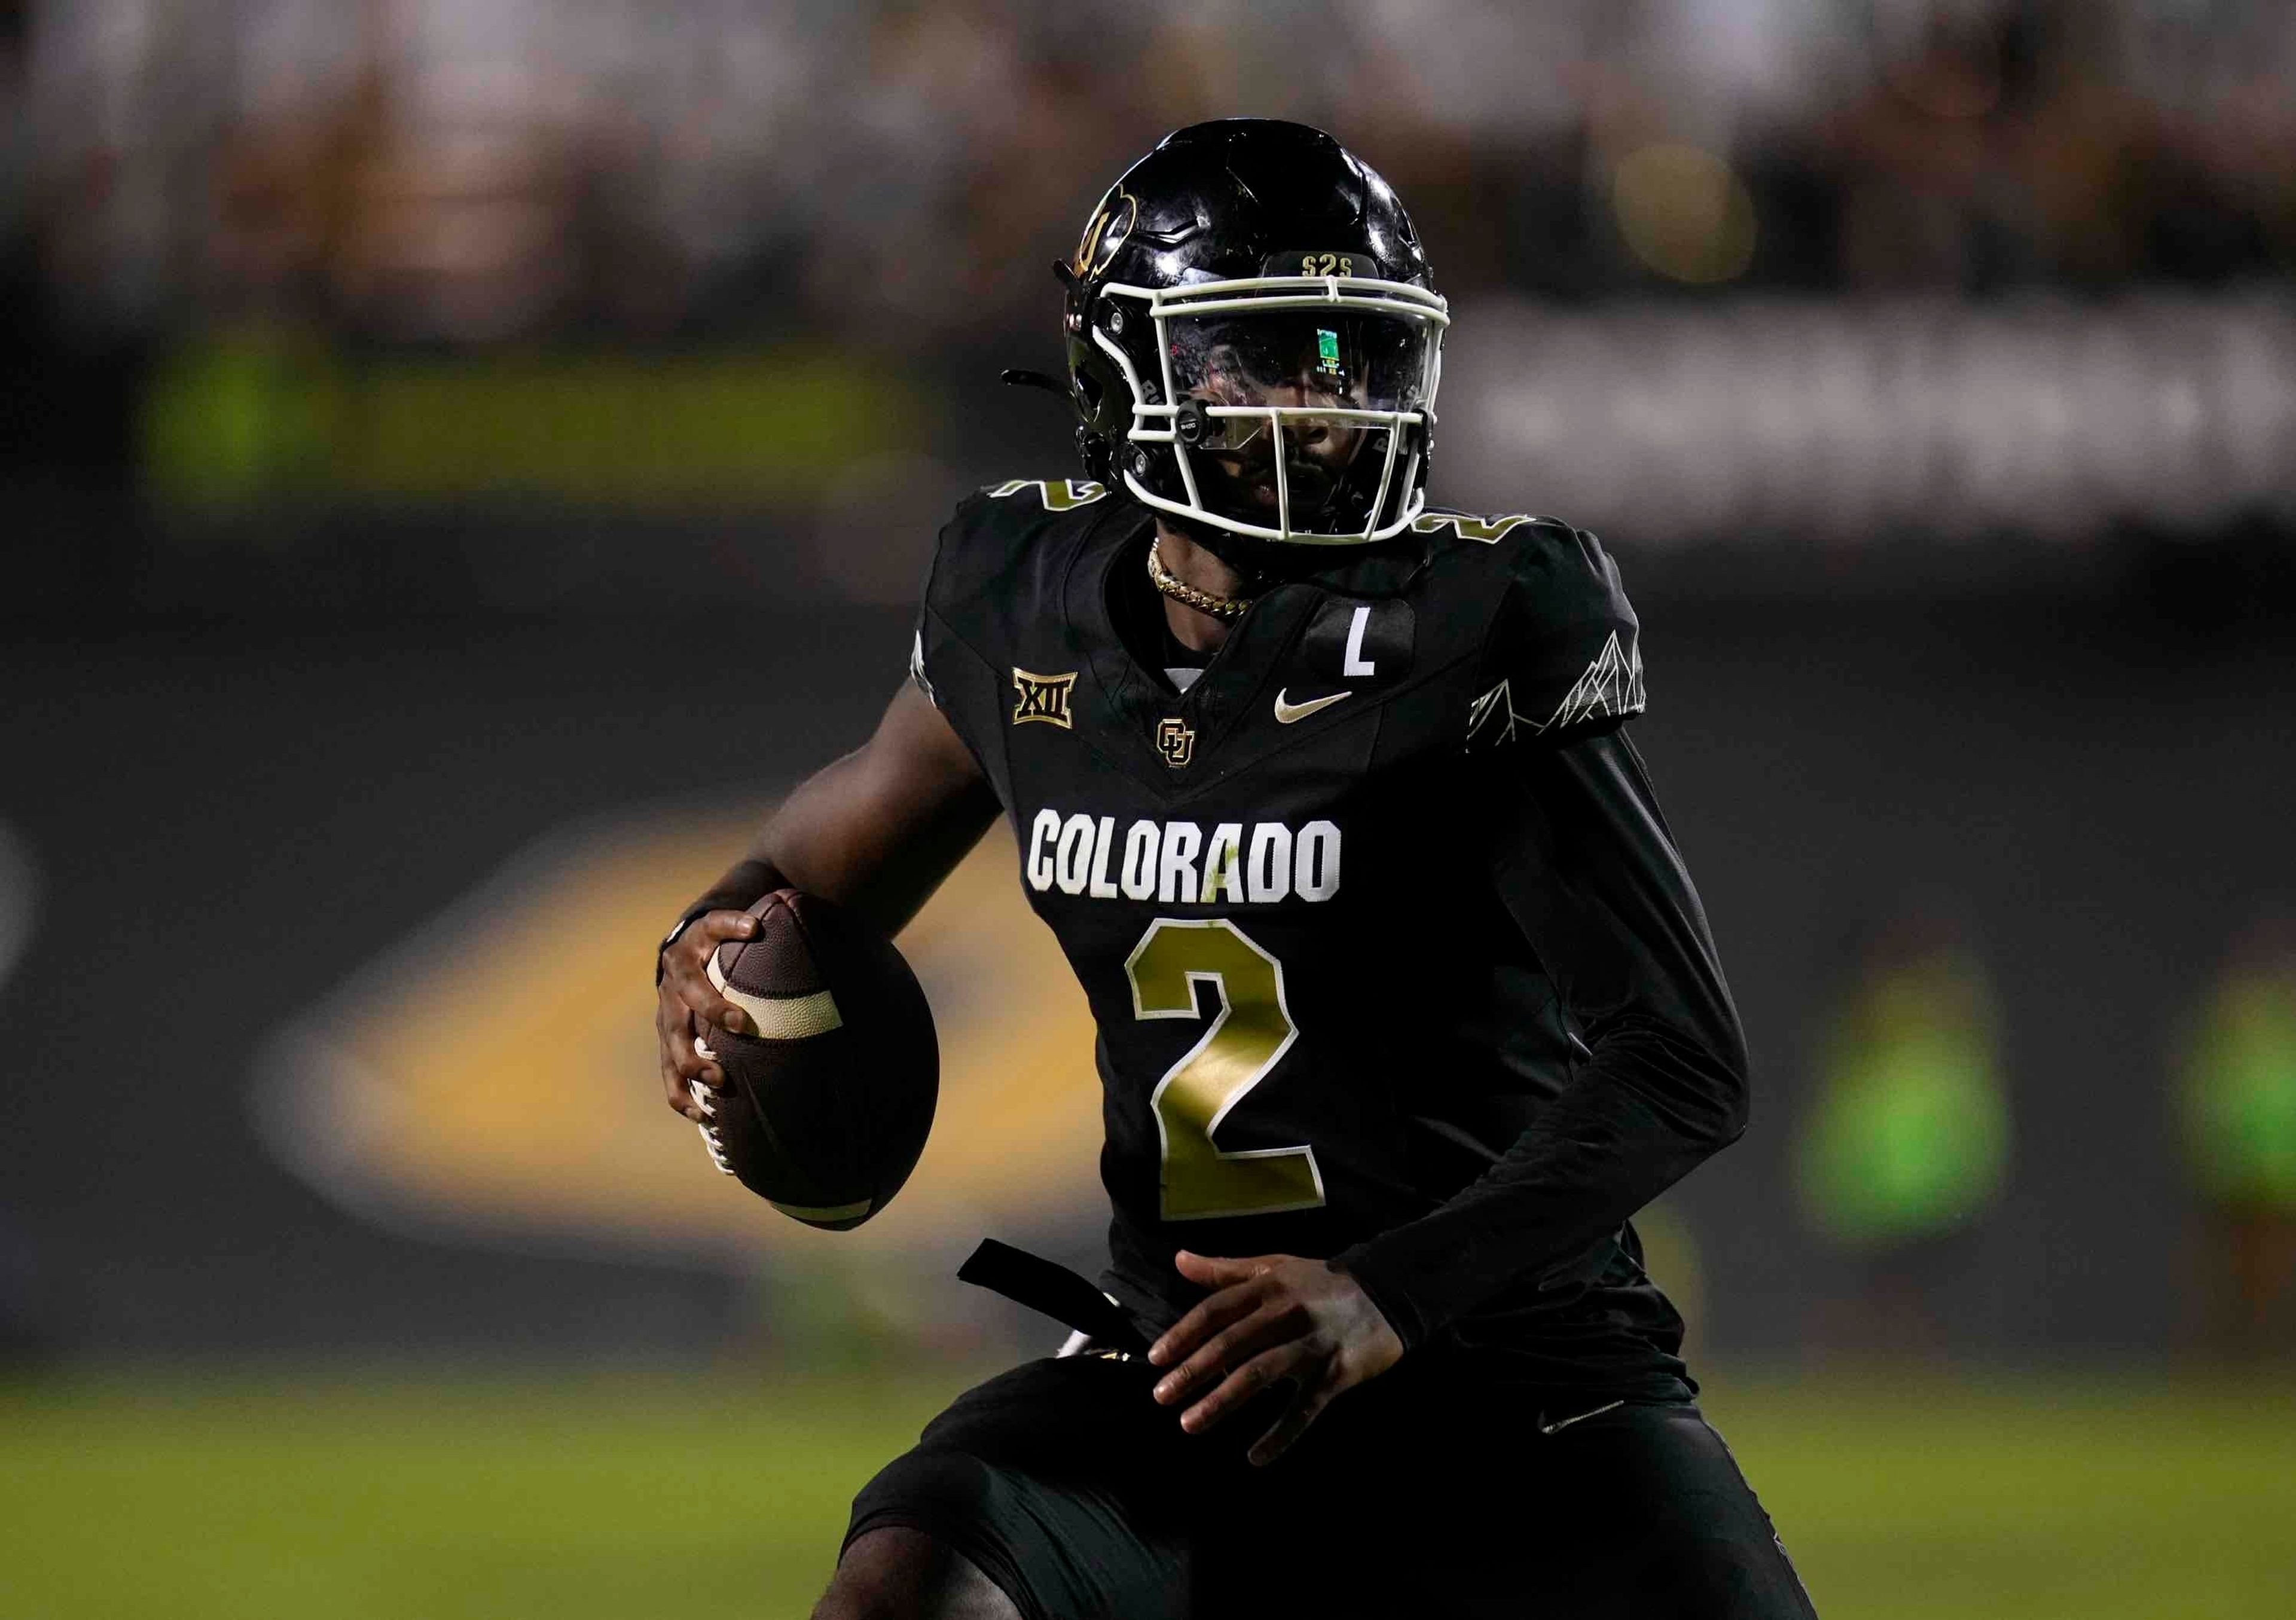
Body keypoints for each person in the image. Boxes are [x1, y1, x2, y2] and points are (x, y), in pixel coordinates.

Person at [654, 120, 1816, 1619]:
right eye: (1267, 354)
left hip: (1515, 1369)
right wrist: (701, 940)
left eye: (1353, 358)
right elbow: (812, 863)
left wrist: (1383, 1294)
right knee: (902, 1579)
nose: (1325, 406)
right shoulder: (1026, 605)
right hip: (1186, 1371)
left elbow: (1683, 1061)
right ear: (1123, 372)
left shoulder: (1480, 619)